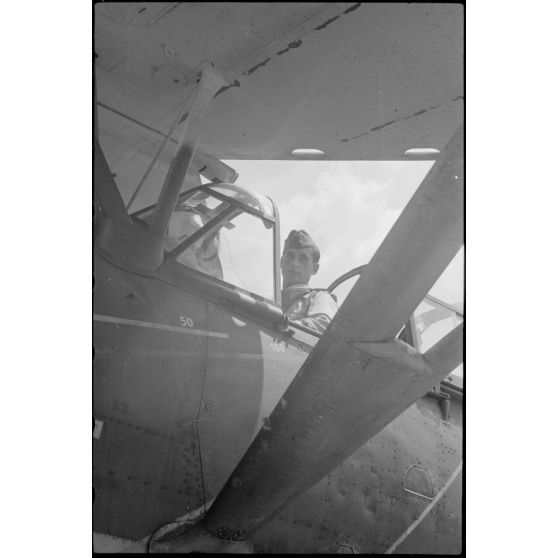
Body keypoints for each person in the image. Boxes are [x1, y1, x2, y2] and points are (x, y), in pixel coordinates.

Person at [281, 229, 338, 334]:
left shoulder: (319, 297)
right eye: (290, 256)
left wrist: (284, 325)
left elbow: (324, 325)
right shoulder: (270, 302)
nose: (295, 263)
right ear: (281, 262)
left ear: (315, 269)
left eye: (303, 259)